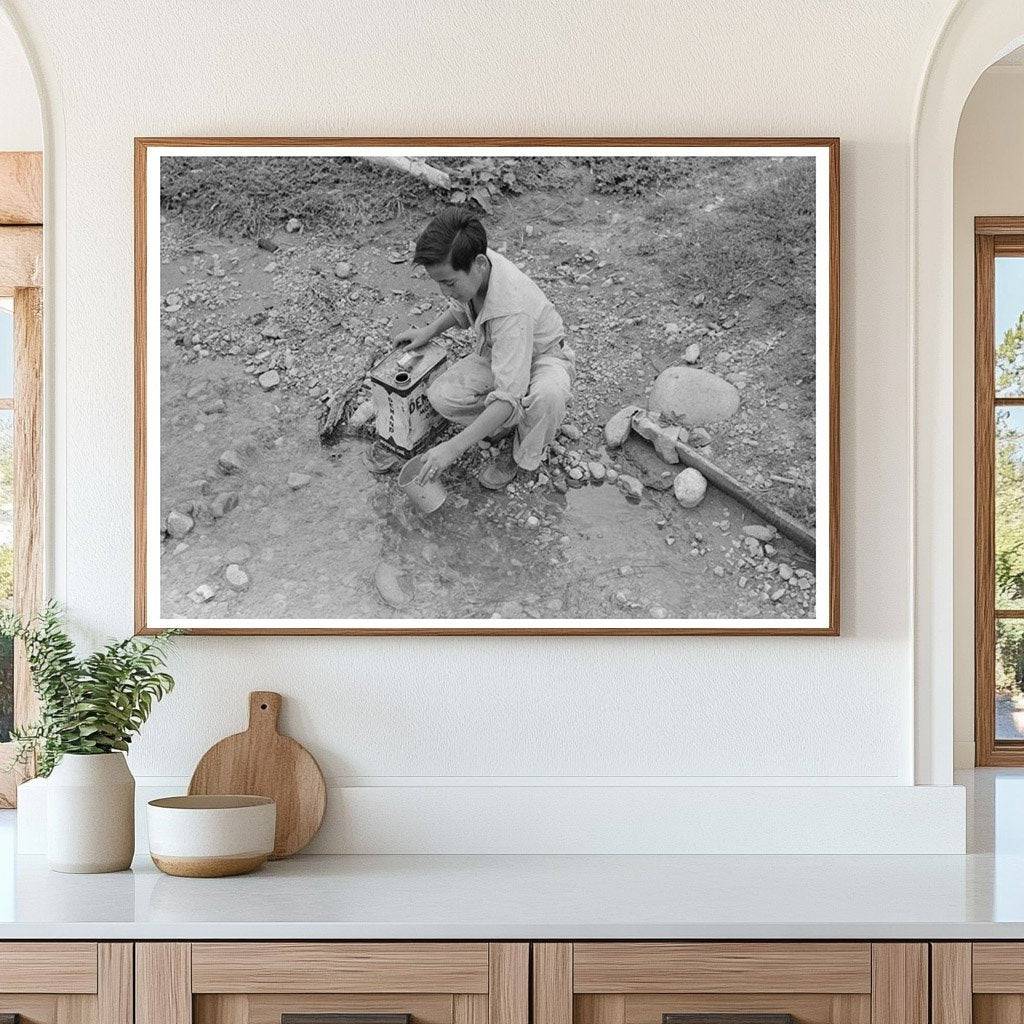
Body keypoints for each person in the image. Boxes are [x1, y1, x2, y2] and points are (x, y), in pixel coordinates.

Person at [394, 207, 574, 489]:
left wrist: (452, 449)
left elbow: (506, 397)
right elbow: (460, 309)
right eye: (439, 283)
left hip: (543, 358)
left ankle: (521, 453)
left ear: (477, 263)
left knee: (546, 396)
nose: (444, 291)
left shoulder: (511, 309)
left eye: (449, 282)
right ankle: (507, 423)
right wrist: (428, 331)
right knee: (442, 395)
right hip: (501, 351)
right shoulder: (478, 265)